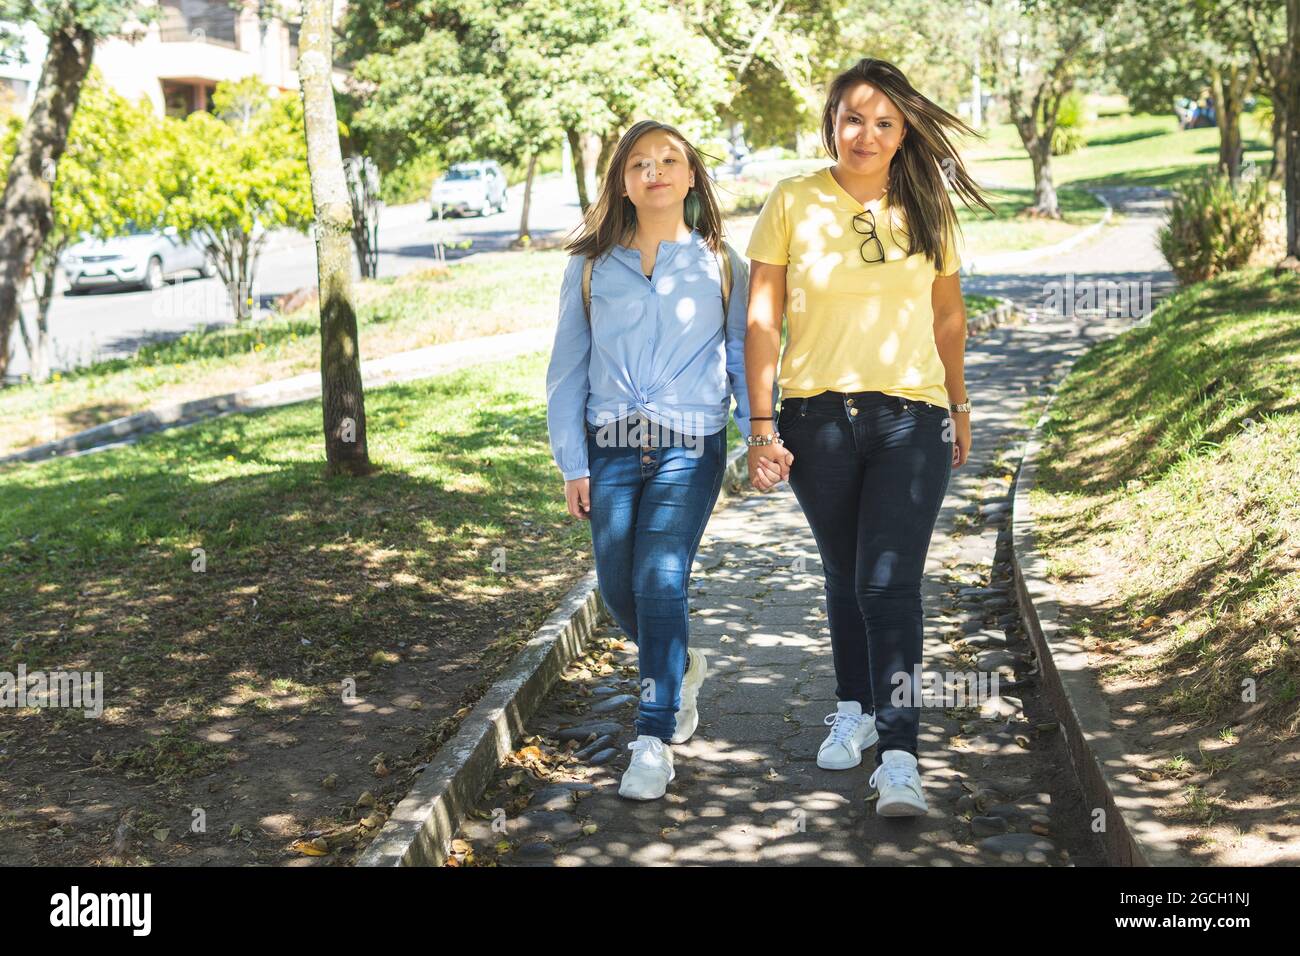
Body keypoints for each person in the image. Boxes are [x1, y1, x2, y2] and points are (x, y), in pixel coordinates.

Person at [744, 58, 992, 816]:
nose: (867, 133)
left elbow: (948, 317)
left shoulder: (927, 204)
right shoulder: (791, 200)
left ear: (903, 129)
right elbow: (760, 318)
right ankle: (852, 707)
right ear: (832, 123)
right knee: (844, 573)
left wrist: (958, 403)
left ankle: (901, 753)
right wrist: (759, 424)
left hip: (910, 417)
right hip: (815, 419)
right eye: (854, 118)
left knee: (889, 584)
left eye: (884, 121)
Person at [545, 119, 787, 801]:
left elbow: (744, 359)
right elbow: (566, 369)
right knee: (619, 586)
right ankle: (679, 665)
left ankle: (651, 737)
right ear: (621, 180)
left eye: (669, 160)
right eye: (639, 163)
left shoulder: (720, 263)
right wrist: (573, 463)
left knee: (660, 576)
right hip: (610, 444)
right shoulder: (590, 265)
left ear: (690, 177)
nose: (654, 171)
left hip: (691, 441)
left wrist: (762, 437)